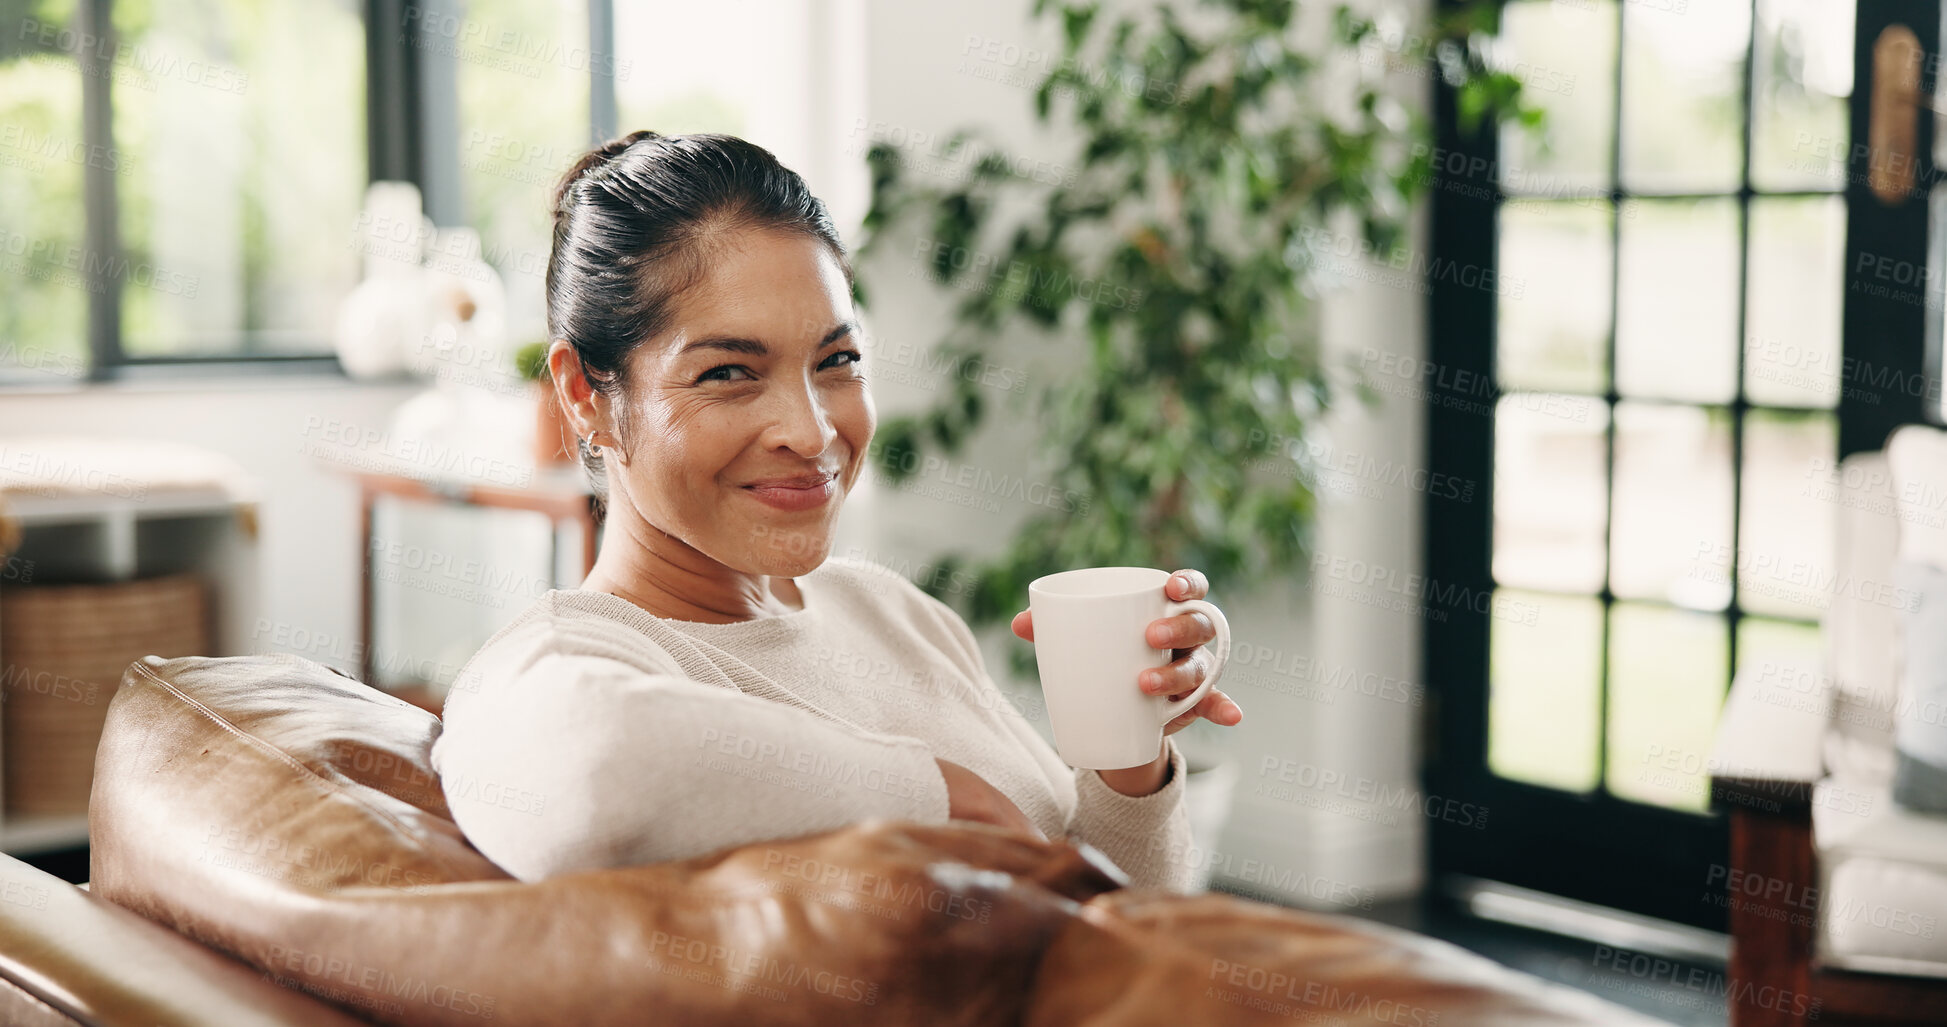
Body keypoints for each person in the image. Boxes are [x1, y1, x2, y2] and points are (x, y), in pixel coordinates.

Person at [429, 131, 1242, 891]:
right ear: (584, 394)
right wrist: (939, 794)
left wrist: (1130, 760)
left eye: (837, 361)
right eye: (726, 374)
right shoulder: (568, 662)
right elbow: (595, 772)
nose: (812, 430)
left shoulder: (895, 613)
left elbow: (1122, 922)